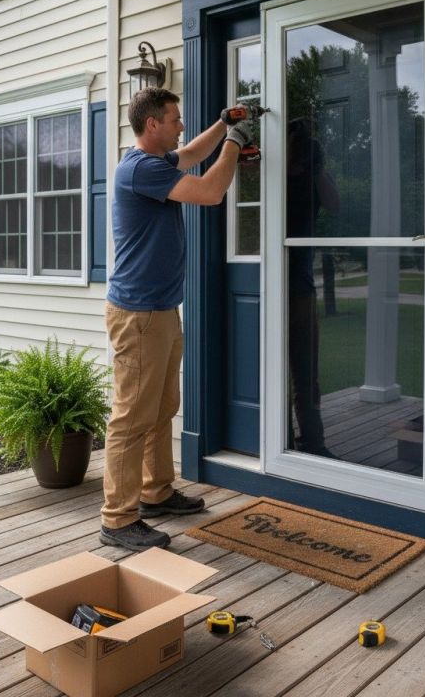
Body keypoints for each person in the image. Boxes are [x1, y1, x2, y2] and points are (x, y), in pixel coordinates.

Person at [100, 87, 253, 551]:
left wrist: (223, 125)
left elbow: (191, 155)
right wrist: (236, 142)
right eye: (175, 119)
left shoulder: (156, 163)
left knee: (162, 407)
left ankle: (155, 492)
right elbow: (209, 192)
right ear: (152, 124)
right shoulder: (140, 168)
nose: (181, 126)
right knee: (132, 417)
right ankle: (118, 519)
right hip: (139, 314)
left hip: (160, 308)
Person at [285, 117, 339, 458]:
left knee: (306, 371)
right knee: (271, 368)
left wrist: (316, 168)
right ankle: (280, 441)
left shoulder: (313, 178)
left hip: (301, 287)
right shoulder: (270, 176)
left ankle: (313, 443)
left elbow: (334, 204)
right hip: (269, 285)